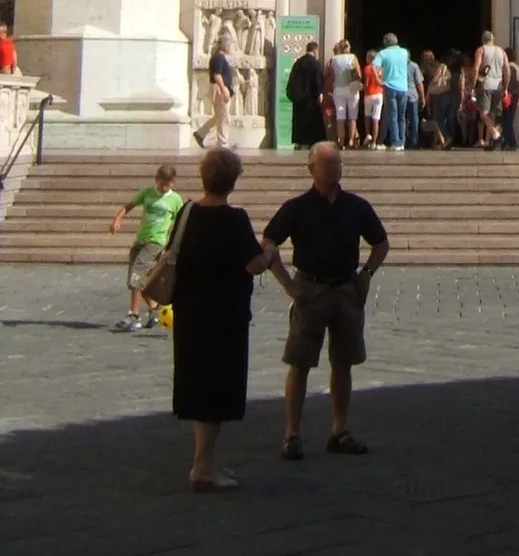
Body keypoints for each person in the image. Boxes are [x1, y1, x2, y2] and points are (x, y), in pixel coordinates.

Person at [260, 142, 389, 458]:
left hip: (346, 288)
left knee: (344, 361)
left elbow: (381, 242)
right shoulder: (297, 207)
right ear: (311, 170)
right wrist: (288, 284)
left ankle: (339, 430)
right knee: (300, 362)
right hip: (311, 288)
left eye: (338, 164)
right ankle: (292, 434)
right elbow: (268, 243)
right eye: (328, 164)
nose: (335, 170)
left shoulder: (356, 206)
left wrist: (367, 274)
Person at [171, 146, 263, 492]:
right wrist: (268, 255)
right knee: (216, 389)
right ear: (233, 181)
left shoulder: (186, 212)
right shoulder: (234, 219)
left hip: (190, 311)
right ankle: (202, 467)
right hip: (224, 314)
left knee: (198, 385)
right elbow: (252, 263)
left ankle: (205, 459)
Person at [110, 164, 185, 331]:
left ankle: (133, 315)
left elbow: (180, 222)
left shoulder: (175, 200)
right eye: (161, 184)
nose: (164, 187)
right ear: (156, 180)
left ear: (173, 183)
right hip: (141, 240)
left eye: (168, 184)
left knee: (137, 275)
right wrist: (118, 219)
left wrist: (174, 244)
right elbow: (128, 206)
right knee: (142, 279)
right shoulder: (147, 193)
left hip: (156, 242)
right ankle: (154, 311)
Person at [198, 28, 236, 149]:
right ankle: (223, 144)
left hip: (219, 88)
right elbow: (217, 75)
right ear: (224, 45)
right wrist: (223, 89)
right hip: (220, 88)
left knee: (219, 116)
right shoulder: (219, 58)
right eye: (229, 44)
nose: (231, 47)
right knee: (224, 118)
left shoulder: (218, 57)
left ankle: (200, 133)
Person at [286, 39, 326, 149]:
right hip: (311, 98)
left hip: (299, 98)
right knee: (311, 119)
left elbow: (292, 80)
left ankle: (299, 141)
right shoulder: (315, 63)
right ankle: (310, 141)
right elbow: (318, 79)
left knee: (299, 120)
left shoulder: (298, 62)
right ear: (315, 51)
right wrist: (320, 93)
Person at [472, 28, 509, 149]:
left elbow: (476, 68)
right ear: (493, 39)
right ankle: (489, 141)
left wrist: (473, 84)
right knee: (493, 114)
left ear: (483, 40)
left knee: (483, 114)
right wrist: (505, 87)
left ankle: (496, 134)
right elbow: (507, 70)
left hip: (485, 84)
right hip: (498, 85)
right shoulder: (501, 51)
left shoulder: (481, 50)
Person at [376, 32, 411, 150]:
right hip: (403, 87)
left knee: (392, 115)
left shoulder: (382, 53)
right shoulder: (404, 52)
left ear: (385, 42)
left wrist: (378, 80)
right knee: (402, 116)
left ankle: (396, 141)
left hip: (389, 86)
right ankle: (402, 142)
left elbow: (374, 66)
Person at [327, 38, 361, 147]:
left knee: (340, 115)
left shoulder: (333, 59)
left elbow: (330, 75)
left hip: (338, 89)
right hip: (351, 88)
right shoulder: (353, 57)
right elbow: (359, 74)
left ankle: (341, 141)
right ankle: (350, 140)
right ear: (348, 47)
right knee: (352, 116)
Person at [361, 49, 384, 149]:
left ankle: (368, 134)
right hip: (378, 94)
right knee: (376, 119)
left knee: (367, 116)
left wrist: (362, 88)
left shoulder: (367, 68)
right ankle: (374, 142)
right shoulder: (381, 69)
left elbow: (366, 83)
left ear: (370, 58)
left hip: (368, 94)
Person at [500, 51, 519, 151]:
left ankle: (512, 143)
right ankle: (505, 142)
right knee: (508, 119)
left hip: (508, 95)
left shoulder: (507, 67)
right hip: (516, 95)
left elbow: (504, 80)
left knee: (506, 120)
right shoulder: (518, 68)